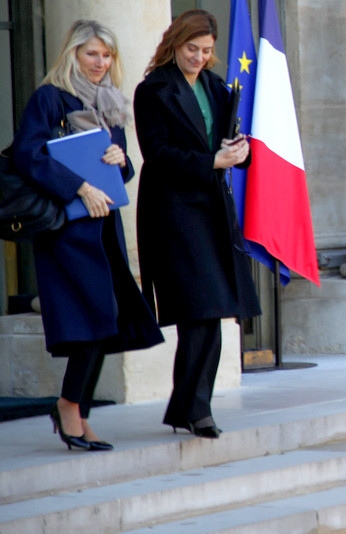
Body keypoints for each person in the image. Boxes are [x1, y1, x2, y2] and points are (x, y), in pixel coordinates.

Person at [12, 20, 164, 451]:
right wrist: (78, 186)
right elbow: (28, 154)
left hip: (104, 227)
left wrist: (120, 159)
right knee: (95, 318)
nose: (100, 63)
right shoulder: (50, 97)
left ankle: (77, 412)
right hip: (68, 229)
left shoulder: (109, 101)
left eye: (106, 55)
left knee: (106, 321)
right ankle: (68, 406)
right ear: (73, 54)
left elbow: (123, 170)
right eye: (91, 54)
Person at [133, 10, 261, 439]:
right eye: (192, 49)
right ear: (175, 44)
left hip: (213, 210)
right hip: (174, 212)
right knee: (202, 310)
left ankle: (188, 407)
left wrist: (240, 152)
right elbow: (157, 154)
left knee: (213, 311)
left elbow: (226, 140)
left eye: (207, 50)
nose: (200, 57)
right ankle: (194, 409)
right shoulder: (153, 90)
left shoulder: (214, 85)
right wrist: (211, 161)